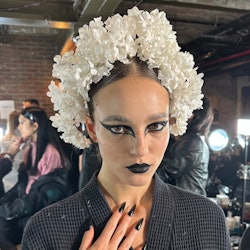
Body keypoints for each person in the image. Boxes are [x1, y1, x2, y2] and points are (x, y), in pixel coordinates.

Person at [21, 7, 230, 249]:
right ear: (91, 128)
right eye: (119, 128)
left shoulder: (206, 219)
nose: (140, 149)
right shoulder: (47, 231)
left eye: (156, 126)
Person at [0, 107, 71, 249]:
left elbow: (44, 194)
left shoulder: (50, 153)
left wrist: (8, 209)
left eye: (22, 122)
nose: (19, 127)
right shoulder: (30, 148)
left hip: (40, 210)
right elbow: (23, 184)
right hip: (29, 202)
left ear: (35, 126)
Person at [157, 96, 214, 196]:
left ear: (191, 115)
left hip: (187, 206)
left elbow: (166, 171)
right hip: (186, 202)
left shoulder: (192, 142)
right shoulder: (193, 140)